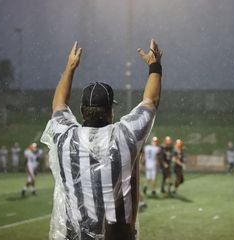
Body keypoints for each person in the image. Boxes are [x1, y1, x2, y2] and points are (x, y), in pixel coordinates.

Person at [40, 39, 162, 240]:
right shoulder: (124, 136)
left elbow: (58, 104)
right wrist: (154, 66)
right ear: (110, 111)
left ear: (81, 110)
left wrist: (70, 68)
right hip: (117, 235)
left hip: (73, 235)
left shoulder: (65, 137)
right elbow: (151, 101)